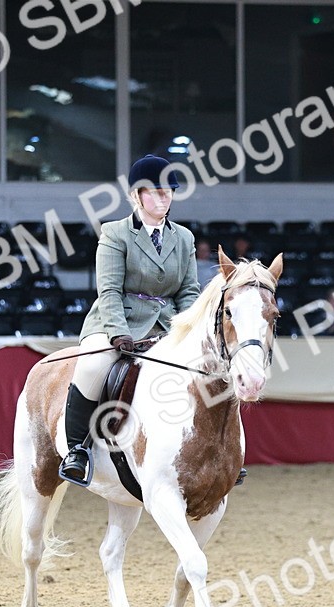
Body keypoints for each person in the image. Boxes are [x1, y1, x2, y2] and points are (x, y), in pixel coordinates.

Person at [57, 154, 200, 486]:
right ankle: (77, 450)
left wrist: (189, 330)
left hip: (166, 324)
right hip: (118, 320)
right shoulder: (115, 233)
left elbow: (189, 291)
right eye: (156, 192)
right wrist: (118, 332)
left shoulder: (184, 238)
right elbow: (108, 290)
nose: (164, 198)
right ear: (137, 194)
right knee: (93, 366)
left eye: (168, 192)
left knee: (207, 367)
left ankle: (215, 451)